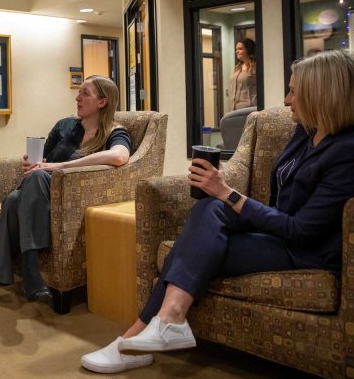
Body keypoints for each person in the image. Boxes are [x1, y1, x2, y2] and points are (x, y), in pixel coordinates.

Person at [81, 50, 354, 374]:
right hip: (278, 232)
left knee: (190, 248)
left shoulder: (346, 151)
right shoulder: (306, 132)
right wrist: (221, 189)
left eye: (294, 91)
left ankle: (132, 341)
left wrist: (227, 191)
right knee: (210, 207)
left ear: (320, 96)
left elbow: (301, 230)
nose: (287, 98)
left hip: (306, 251)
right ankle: (164, 325)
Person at [0, 75, 131, 304]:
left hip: (66, 203)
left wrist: (58, 166)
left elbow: (120, 156)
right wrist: (30, 161)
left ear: (102, 102)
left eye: (85, 93)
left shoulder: (115, 132)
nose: (77, 97)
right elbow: (40, 159)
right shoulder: (65, 125)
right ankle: (26, 275)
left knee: (15, 197)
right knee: (28, 184)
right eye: (79, 92)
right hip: (37, 193)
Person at [228, 38, 257, 110]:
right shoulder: (237, 68)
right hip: (234, 108)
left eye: (240, 49)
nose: (237, 51)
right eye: (236, 49)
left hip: (248, 108)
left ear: (248, 50)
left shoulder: (255, 67)